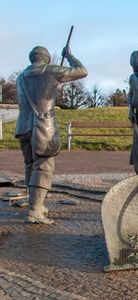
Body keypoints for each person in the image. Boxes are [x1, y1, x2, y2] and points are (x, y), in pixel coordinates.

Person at [15, 46, 87, 224]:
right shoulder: (51, 70)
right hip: (42, 126)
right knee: (44, 167)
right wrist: (69, 55)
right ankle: (34, 211)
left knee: (30, 166)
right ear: (46, 58)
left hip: (23, 126)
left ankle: (37, 205)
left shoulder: (21, 77)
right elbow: (82, 71)